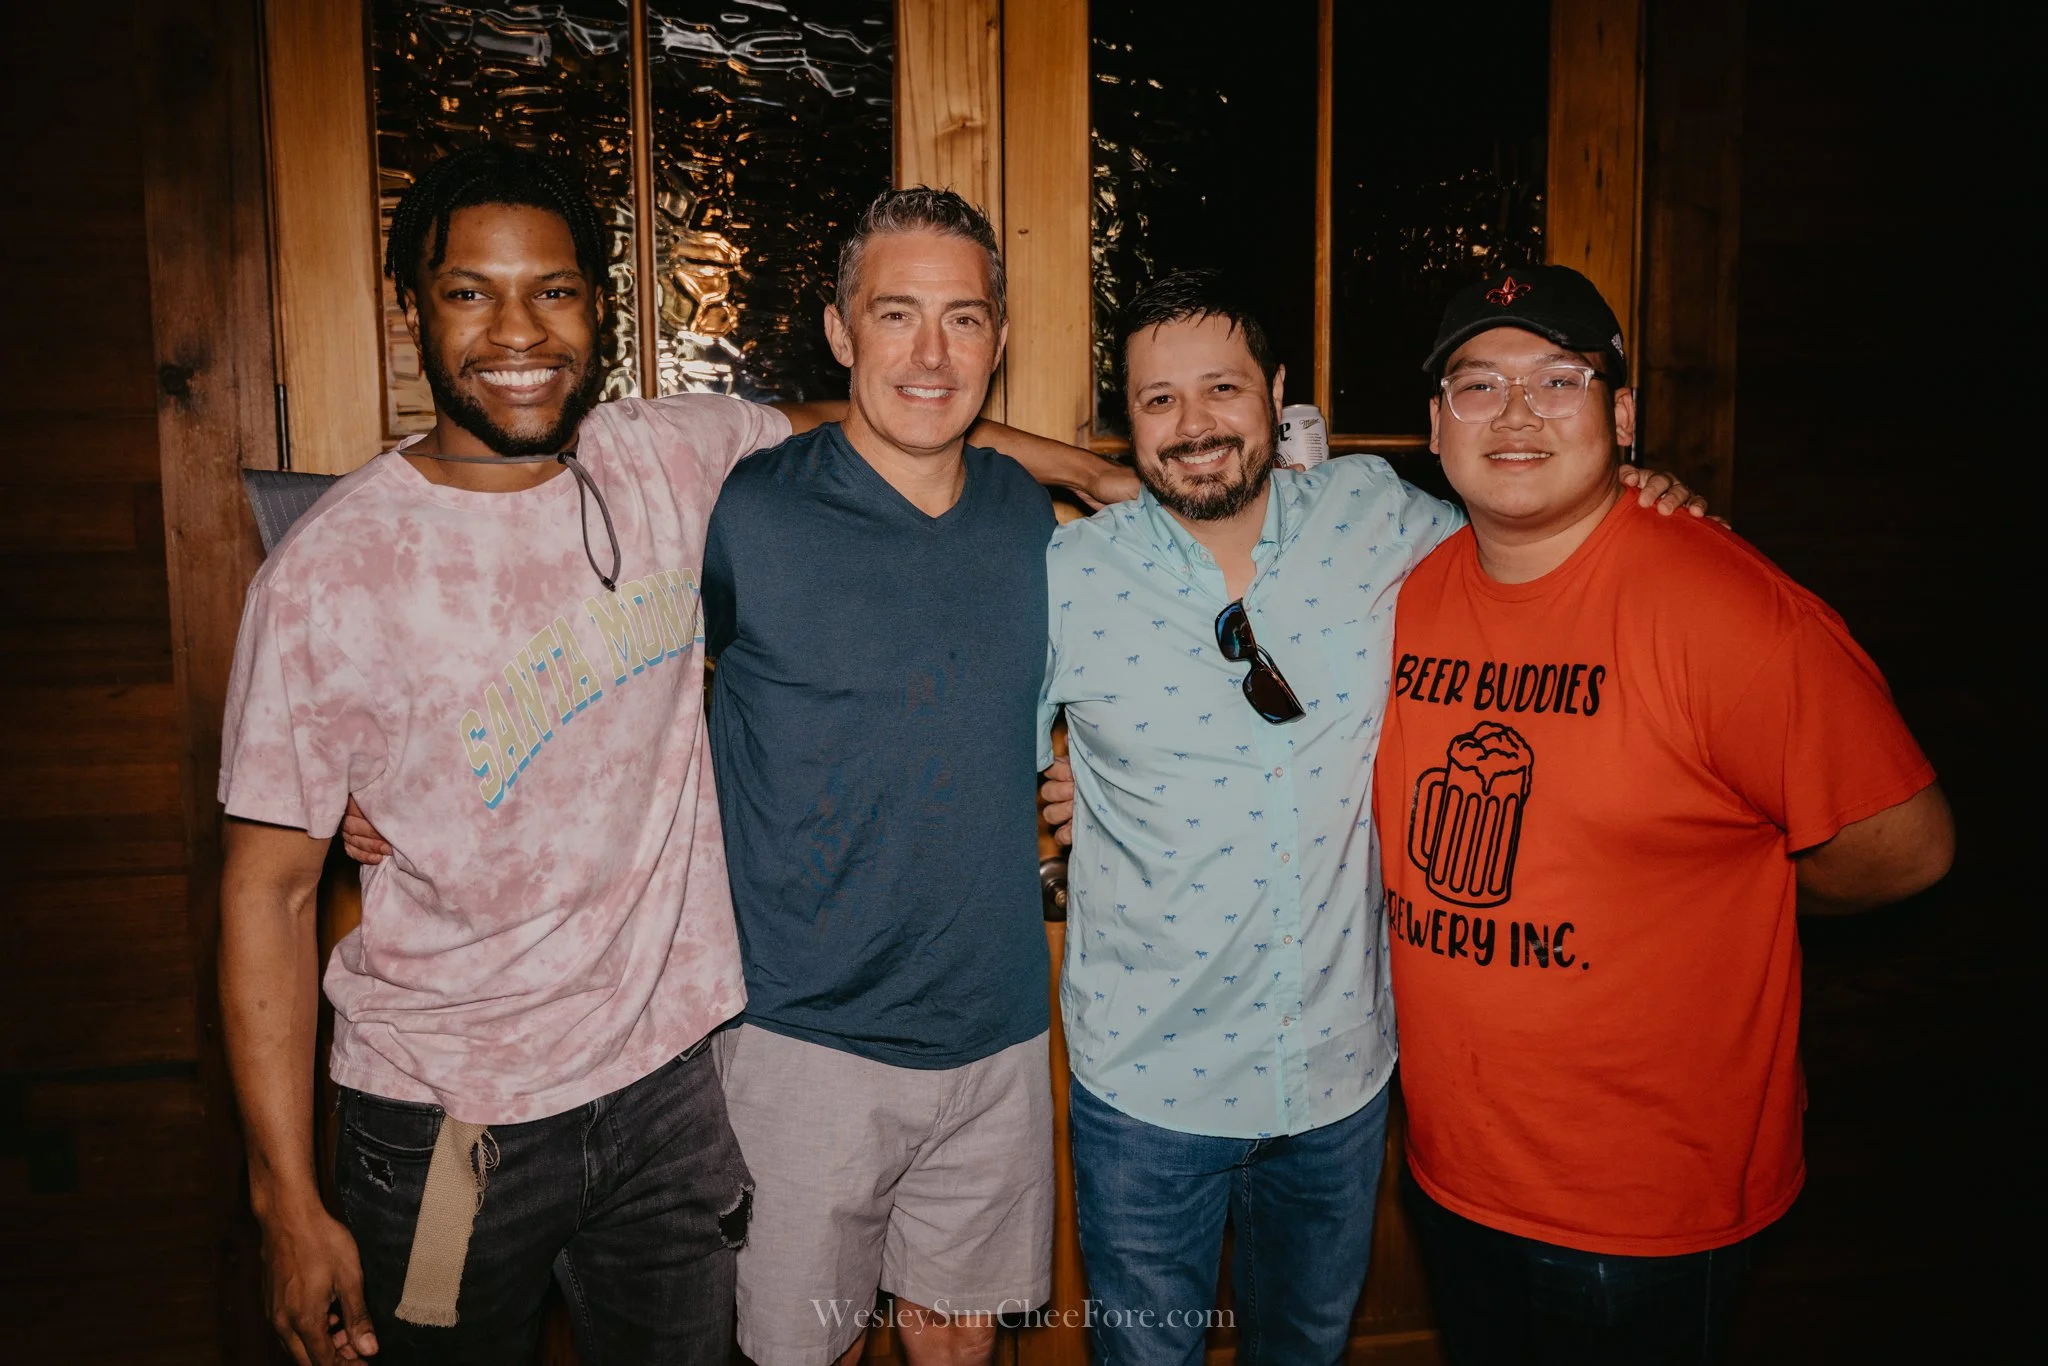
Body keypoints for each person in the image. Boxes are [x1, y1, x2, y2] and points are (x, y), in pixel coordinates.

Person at [226, 150, 1125, 1366]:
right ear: (410, 312)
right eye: (468, 293)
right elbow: (264, 890)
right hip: (448, 1111)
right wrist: (284, 1198)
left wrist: (1072, 464)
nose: (516, 331)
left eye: (551, 291)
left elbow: (867, 412)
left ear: (596, 308)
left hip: (663, 1091)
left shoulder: (661, 461)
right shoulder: (328, 574)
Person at [1035, 270, 1701, 1366]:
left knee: (1305, 1351)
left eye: (1222, 389)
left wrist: (1640, 494)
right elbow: (986, 767)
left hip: (1340, 1082)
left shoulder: (1380, 517)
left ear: (1275, 392)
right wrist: (1061, 791)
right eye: (1158, 401)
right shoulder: (1065, 576)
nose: (1194, 425)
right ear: (1126, 419)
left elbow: (1533, 525)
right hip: (1147, 1093)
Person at [1373, 264, 1953, 1364]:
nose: (1513, 413)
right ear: (1435, 428)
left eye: (1557, 378)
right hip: (1452, 1169)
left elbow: (1907, 847)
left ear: (1620, 415)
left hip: (1642, 1202)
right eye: (1475, 383)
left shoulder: (1725, 610)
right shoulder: (1407, 591)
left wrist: (1725, 895)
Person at [702, 188, 1064, 1366]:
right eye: (894, 314)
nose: (928, 353)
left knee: (959, 1343)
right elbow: (592, 663)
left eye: (962, 319)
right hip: (803, 1036)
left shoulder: (1030, 517)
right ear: (838, 329)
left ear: (997, 342)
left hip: (997, 1027)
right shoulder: (742, 512)